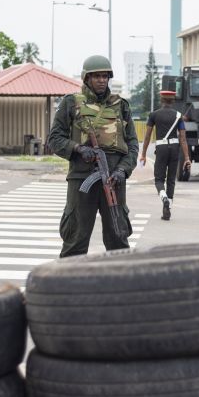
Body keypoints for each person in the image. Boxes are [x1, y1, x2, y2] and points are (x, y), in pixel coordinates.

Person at [48, 55, 138, 257]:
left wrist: (123, 170)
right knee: (76, 240)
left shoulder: (121, 105)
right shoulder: (71, 103)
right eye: (96, 76)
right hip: (82, 181)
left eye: (105, 76)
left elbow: (132, 144)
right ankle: (69, 285)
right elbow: (54, 139)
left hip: (114, 180)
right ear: (86, 78)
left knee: (118, 239)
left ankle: (121, 285)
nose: (101, 80)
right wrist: (78, 148)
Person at [139, 89, 191, 220]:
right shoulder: (179, 116)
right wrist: (187, 158)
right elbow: (183, 138)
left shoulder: (154, 115)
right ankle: (168, 210)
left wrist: (143, 154)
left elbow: (147, 137)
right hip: (174, 148)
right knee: (171, 180)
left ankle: (163, 197)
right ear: (173, 101)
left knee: (159, 179)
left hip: (161, 148)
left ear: (161, 100)